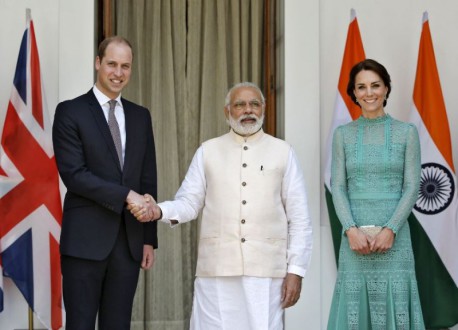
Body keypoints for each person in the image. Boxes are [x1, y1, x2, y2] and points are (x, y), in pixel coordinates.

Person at [130, 82, 313, 329]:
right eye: (240, 104)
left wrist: (297, 270)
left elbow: (300, 218)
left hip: (267, 272)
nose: (248, 110)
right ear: (228, 112)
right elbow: (189, 202)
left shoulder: (283, 152)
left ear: (263, 109)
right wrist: (159, 211)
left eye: (254, 104)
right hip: (216, 271)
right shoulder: (208, 151)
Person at [52, 36, 158, 330]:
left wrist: (149, 237)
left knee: (118, 325)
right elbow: (75, 175)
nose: (118, 73)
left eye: (126, 66)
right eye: (112, 64)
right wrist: (127, 195)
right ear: (98, 63)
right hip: (84, 242)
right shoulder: (70, 112)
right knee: (81, 324)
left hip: (129, 242)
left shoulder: (140, 116)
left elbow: (148, 177)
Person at [327, 59, 425, 329]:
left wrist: (390, 229)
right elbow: (338, 187)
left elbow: (411, 186)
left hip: (395, 236)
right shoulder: (343, 135)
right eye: (361, 87)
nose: (369, 93)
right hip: (354, 239)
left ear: (386, 89)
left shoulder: (407, 133)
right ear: (354, 93)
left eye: (375, 85)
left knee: (395, 297)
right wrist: (351, 230)